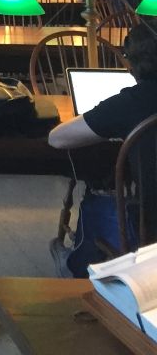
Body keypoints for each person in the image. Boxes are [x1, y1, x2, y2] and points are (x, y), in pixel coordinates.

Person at [48, 26, 157, 274]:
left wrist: (113, 124)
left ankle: (76, 266)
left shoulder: (132, 102)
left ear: (133, 65)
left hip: (153, 227)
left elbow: (57, 138)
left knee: (100, 194)